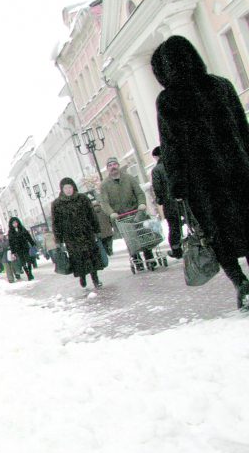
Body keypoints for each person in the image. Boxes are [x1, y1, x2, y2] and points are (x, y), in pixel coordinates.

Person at [153, 35, 249, 309]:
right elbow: (243, 128)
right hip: (238, 172)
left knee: (216, 234)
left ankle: (241, 282)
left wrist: (178, 186)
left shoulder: (168, 100)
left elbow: (170, 148)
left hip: (202, 183)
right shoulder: (221, 85)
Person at [97, 157, 155, 270]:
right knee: (130, 239)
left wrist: (142, 204)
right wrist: (111, 213)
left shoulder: (129, 178)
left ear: (118, 165)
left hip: (135, 212)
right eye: (110, 165)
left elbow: (139, 193)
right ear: (107, 169)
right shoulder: (104, 185)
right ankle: (136, 260)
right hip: (120, 216)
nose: (113, 167)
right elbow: (104, 202)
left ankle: (149, 258)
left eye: (114, 164)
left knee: (143, 235)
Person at [51, 177, 103, 289]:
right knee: (78, 259)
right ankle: (82, 276)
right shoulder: (57, 204)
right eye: (66, 188)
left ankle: (95, 279)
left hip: (86, 233)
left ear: (73, 187)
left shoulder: (83, 198)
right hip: (71, 237)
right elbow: (56, 223)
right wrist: (59, 240)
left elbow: (92, 215)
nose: (68, 190)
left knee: (91, 256)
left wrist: (97, 230)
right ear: (62, 189)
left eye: (70, 187)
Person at [149, 146, 183, 259]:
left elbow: (157, 187)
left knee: (174, 226)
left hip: (170, 203)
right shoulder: (174, 164)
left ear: (156, 156)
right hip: (183, 199)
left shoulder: (156, 170)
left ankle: (176, 249)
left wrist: (160, 199)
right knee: (191, 221)